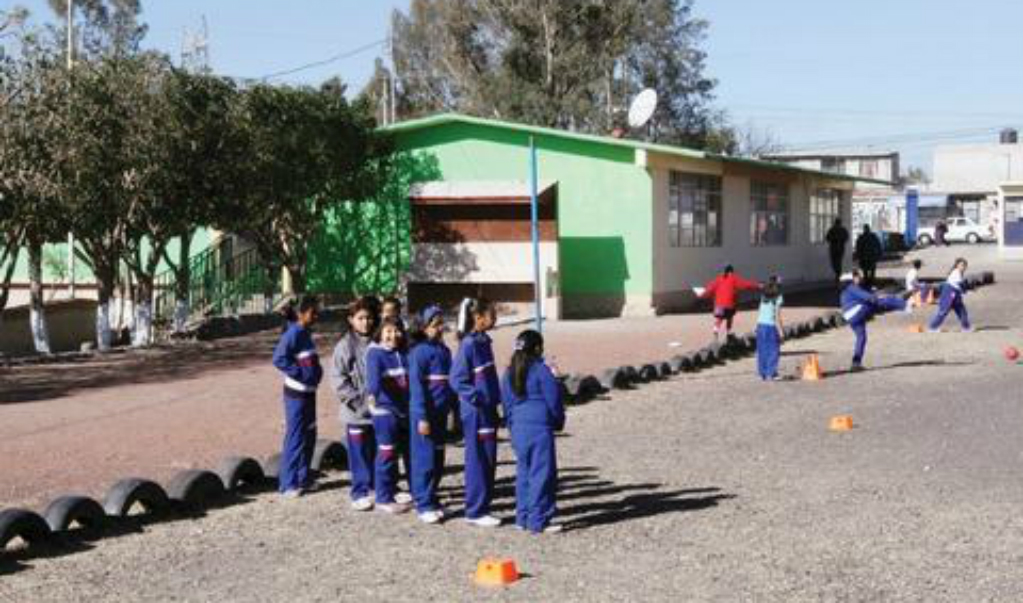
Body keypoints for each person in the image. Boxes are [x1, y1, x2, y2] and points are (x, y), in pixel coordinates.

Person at [501, 329, 565, 534]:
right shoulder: (541, 370)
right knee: (542, 474)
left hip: (518, 426)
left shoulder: (509, 372)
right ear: (537, 348)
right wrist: (558, 421)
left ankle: (522, 517)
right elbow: (553, 400)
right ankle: (539, 520)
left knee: (524, 472)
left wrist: (511, 427)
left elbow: (507, 404)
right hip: (539, 426)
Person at [450, 298, 502, 528]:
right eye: (492, 314)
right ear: (478, 317)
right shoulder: (469, 344)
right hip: (476, 412)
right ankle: (475, 510)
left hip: (488, 410)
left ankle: (484, 506)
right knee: (478, 460)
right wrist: (478, 399)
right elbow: (457, 379)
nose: (495, 318)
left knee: (489, 459)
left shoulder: (484, 341)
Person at [331, 296, 386, 511]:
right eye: (361, 318)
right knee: (359, 454)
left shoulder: (378, 343)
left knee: (377, 450)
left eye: (369, 318)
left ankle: (378, 486)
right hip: (356, 413)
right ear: (351, 320)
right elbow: (338, 380)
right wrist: (359, 403)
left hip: (378, 411)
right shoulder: (344, 346)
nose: (366, 322)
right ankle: (359, 491)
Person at [271, 295, 323, 498]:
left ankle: (303, 477)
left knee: (310, 435)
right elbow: (279, 359)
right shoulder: (293, 333)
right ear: (302, 313)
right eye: (313, 312)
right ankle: (288, 483)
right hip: (296, 395)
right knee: (295, 437)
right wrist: (301, 375)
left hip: (309, 393)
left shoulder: (305, 332)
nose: (317, 315)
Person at [407, 305, 455, 524]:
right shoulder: (418, 353)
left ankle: (432, 497)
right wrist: (422, 417)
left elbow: (451, 384)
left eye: (440, 324)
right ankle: (423, 502)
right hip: (426, 415)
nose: (439, 328)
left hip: (441, 414)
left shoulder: (445, 351)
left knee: (438, 457)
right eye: (434, 325)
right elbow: (416, 388)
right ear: (424, 328)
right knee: (424, 459)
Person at [365, 316, 412, 514]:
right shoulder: (375, 354)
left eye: (397, 330)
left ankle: (391, 490)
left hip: (402, 410)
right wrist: (373, 396)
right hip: (385, 411)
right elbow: (373, 382)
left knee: (396, 454)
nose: (393, 335)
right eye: (389, 331)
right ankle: (383, 497)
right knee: (386, 453)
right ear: (380, 333)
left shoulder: (402, 352)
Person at [840, 270, 908, 372]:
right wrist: (878, 298)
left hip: (850, 317)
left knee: (861, 337)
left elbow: (863, 297)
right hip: (856, 313)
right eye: (856, 276)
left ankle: (856, 363)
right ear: (851, 279)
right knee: (878, 302)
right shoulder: (852, 287)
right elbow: (868, 297)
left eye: (858, 276)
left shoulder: (846, 291)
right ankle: (905, 305)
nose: (859, 278)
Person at [698, 265, 761, 341]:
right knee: (729, 317)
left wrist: (701, 295)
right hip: (729, 305)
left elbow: (709, 289)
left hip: (718, 306)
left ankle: (715, 331)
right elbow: (746, 284)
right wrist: (758, 285)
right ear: (731, 271)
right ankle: (728, 333)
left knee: (719, 318)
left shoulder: (718, 279)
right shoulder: (734, 278)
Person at [928, 258, 973, 332]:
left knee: (962, 311)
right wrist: (967, 289)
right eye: (962, 265)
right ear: (957, 265)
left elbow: (960, 286)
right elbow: (960, 284)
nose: (963, 267)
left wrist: (966, 289)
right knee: (943, 311)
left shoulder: (959, 273)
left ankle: (966, 328)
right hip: (949, 293)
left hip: (955, 294)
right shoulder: (956, 272)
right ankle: (932, 327)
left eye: (965, 265)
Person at [755, 276, 785, 381]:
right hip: (771, 326)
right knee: (773, 350)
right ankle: (772, 373)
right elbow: (777, 316)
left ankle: (762, 373)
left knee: (762, 350)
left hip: (760, 325)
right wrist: (781, 332)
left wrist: (756, 326)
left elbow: (760, 312)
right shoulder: (779, 297)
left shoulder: (763, 296)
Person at [825, 218, 850, 282]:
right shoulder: (843, 230)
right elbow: (847, 238)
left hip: (833, 249)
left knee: (834, 263)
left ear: (835, 222)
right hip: (841, 249)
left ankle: (838, 274)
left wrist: (834, 240)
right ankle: (838, 275)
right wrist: (841, 241)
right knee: (839, 262)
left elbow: (827, 238)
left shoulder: (832, 229)